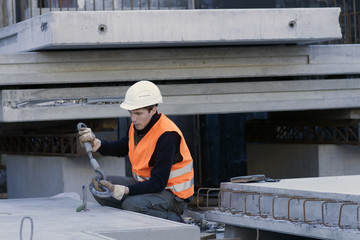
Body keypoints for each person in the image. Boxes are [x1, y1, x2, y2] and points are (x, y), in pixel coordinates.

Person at [78, 80, 194, 222]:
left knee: (131, 204)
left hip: (173, 195)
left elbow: (158, 183)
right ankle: (136, 211)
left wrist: (125, 191)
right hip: (147, 186)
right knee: (98, 185)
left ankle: (177, 220)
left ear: (153, 110)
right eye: (131, 113)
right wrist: (98, 144)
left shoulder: (167, 135)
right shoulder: (136, 126)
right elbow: (121, 148)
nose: (133, 119)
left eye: (138, 113)